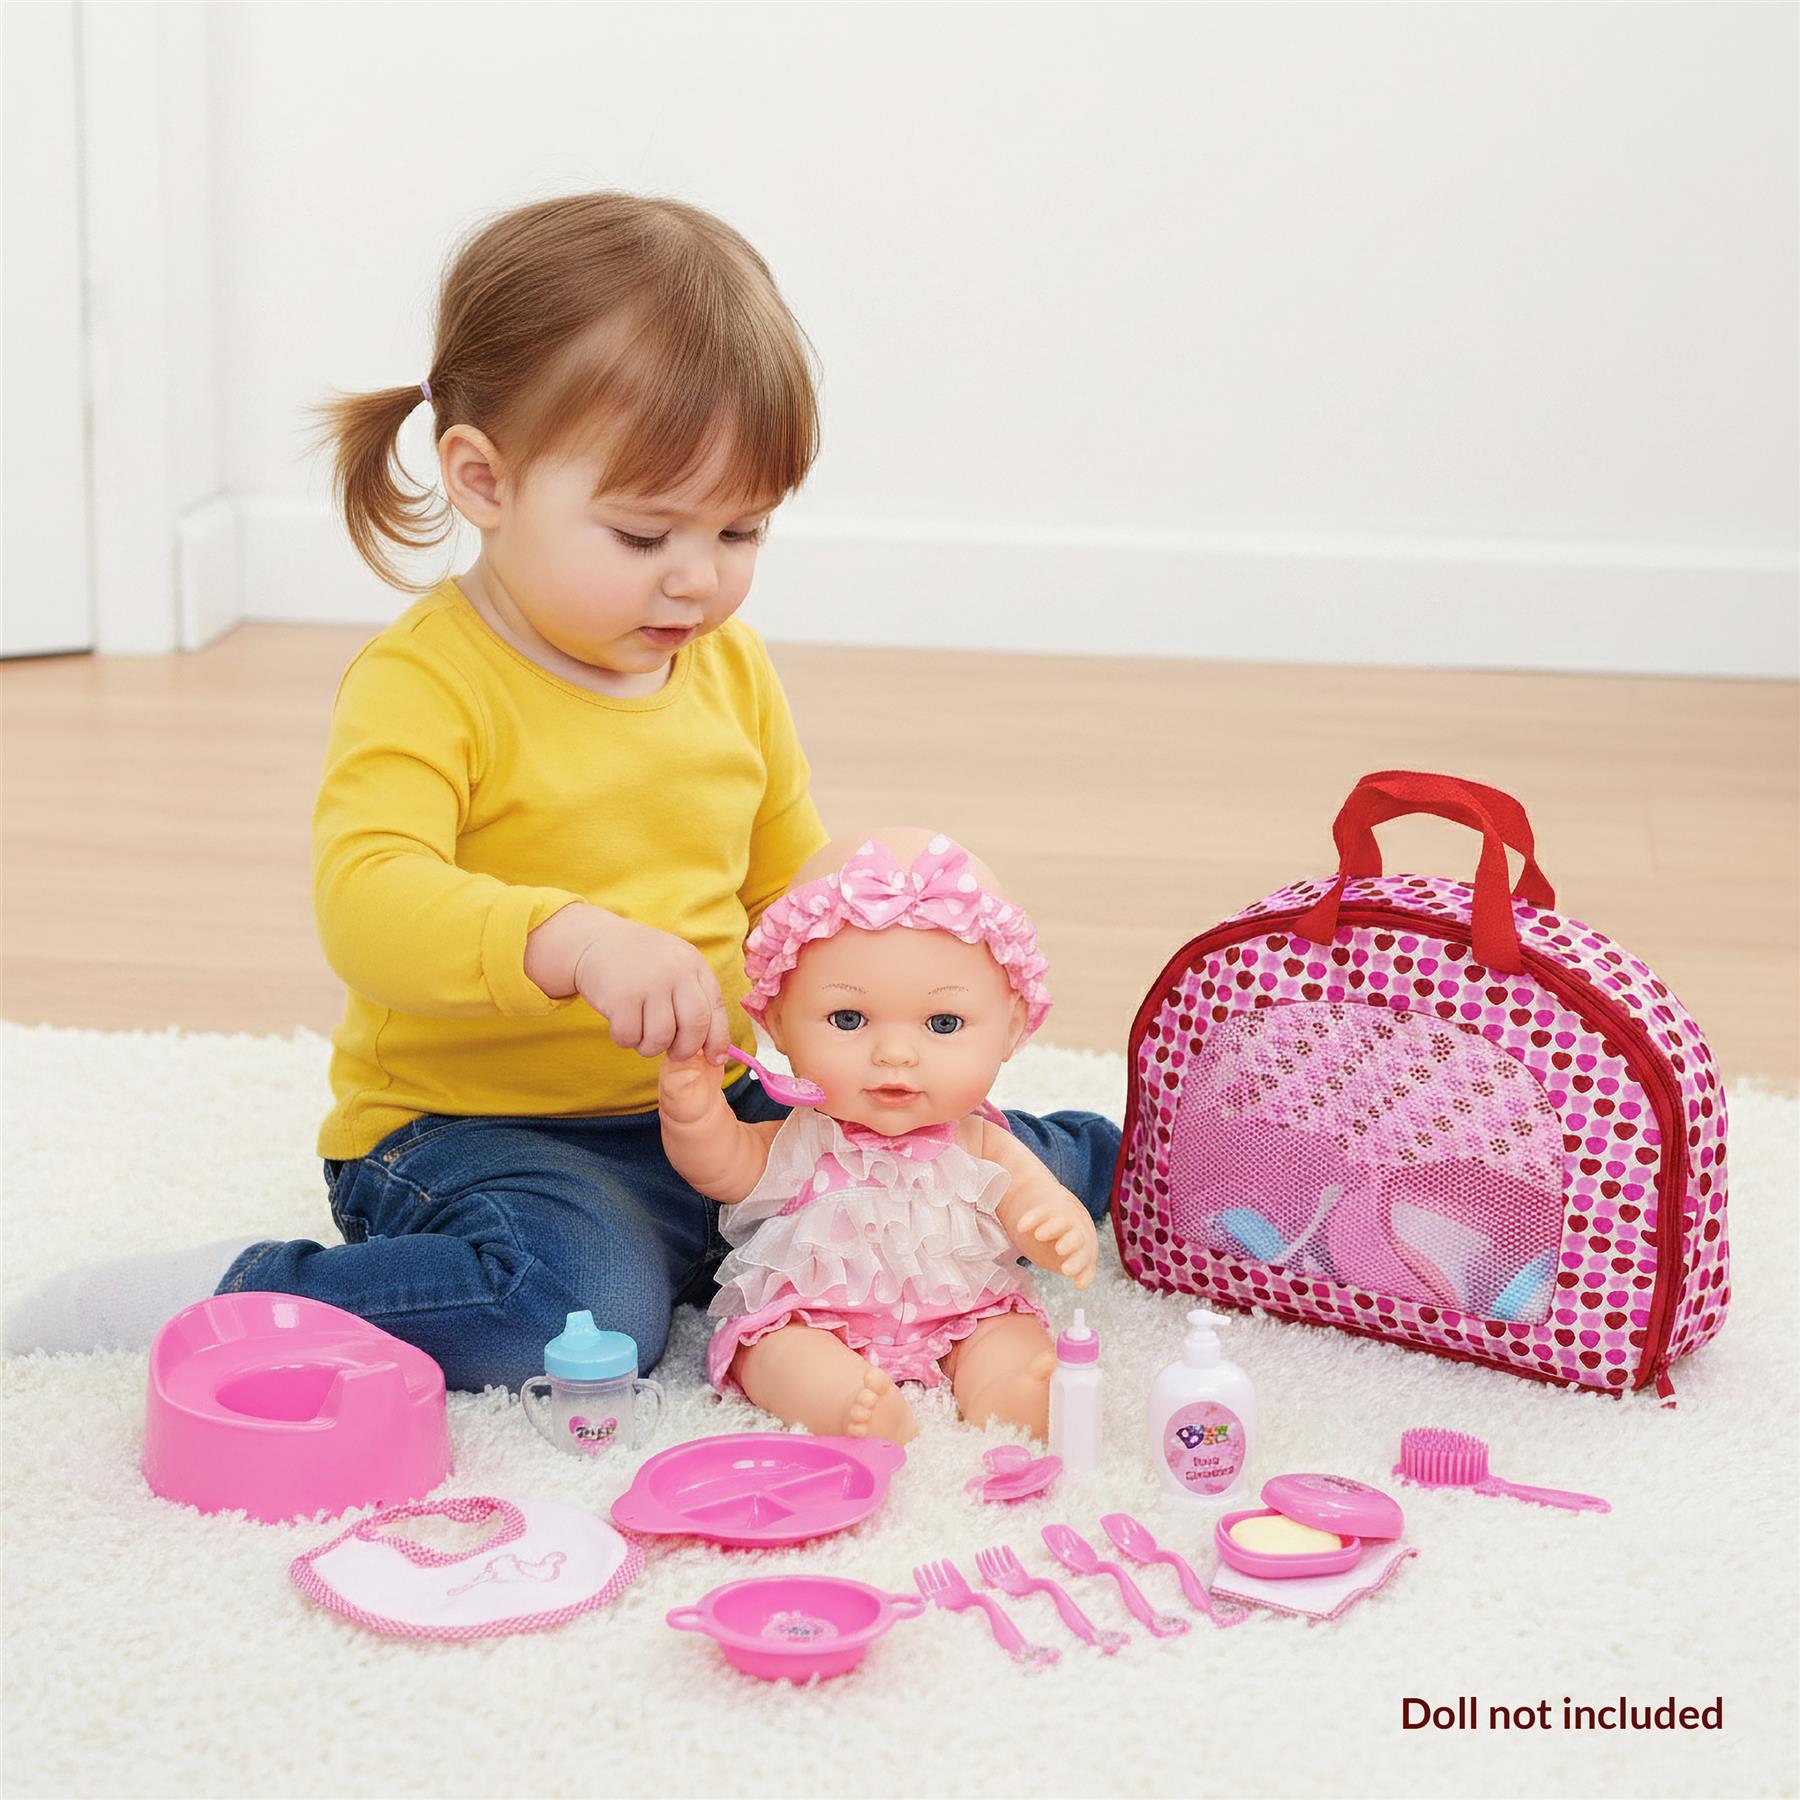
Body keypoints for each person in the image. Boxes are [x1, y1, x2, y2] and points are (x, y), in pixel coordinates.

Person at [4, 192, 1121, 1390]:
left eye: (741, 530)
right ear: (485, 481)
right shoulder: (428, 680)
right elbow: (368, 900)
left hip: (719, 1102)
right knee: (580, 1318)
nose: (697, 579)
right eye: (645, 536)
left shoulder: (728, 668)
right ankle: (229, 1293)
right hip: (482, 1133)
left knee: (1001, 1146)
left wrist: (893, 983)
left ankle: (1183, 1168)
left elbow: (789, 902)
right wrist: (569, 939)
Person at [661, 829, 1098, 1444]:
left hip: (962, 1310)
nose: (894, 1053)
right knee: (774, 1349)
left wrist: (1052, 1227)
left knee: (1003, 1334)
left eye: (943, 1023)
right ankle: (838, 1401)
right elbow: (724, 1168)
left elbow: (1029, 1195)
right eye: (848, 1019)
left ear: (1012, 1028)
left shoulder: (978, 1141)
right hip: (815, 1312)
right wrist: (694, 1113)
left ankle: (1013, 1391)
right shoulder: (804, 1136)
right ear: (779, 1022)